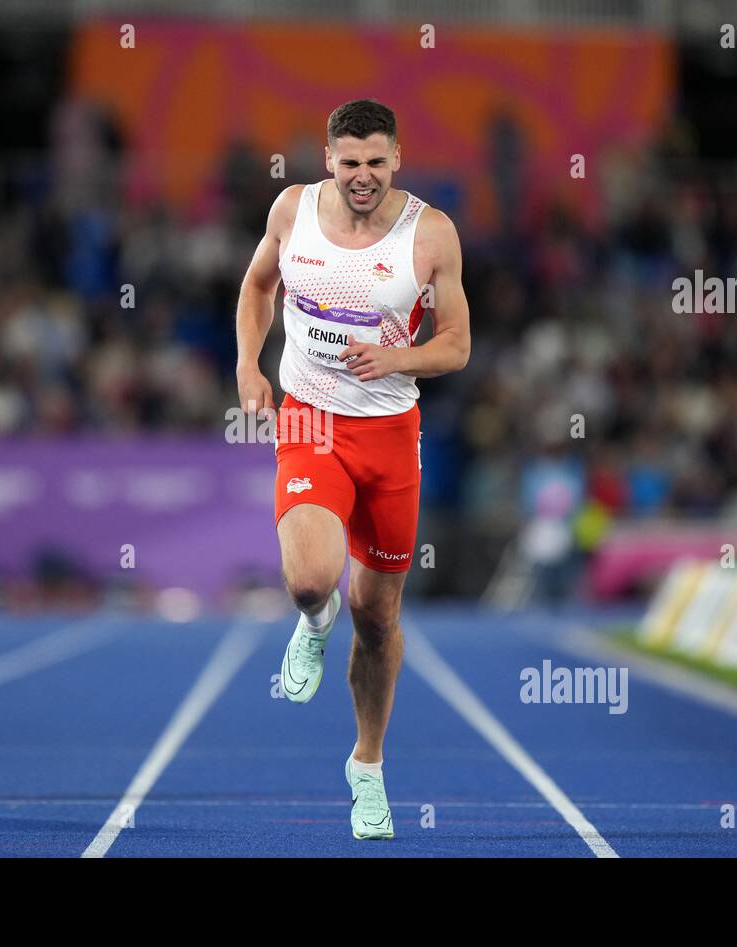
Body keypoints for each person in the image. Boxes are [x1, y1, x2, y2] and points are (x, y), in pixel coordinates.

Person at [234, 100, 470, 839]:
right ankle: (312, 616)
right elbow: (256, 288)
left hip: (392, 433)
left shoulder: (429, 234)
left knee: (378, 617)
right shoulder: (292, 210)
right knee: (310, 578)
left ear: (396, 157)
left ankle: (366, 766)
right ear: (327, 159)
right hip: (308, 416)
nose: (362, 176)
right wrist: (248, 363)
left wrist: (398, 356)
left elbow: (457, 344)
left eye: (375, 162)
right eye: (348, 162)